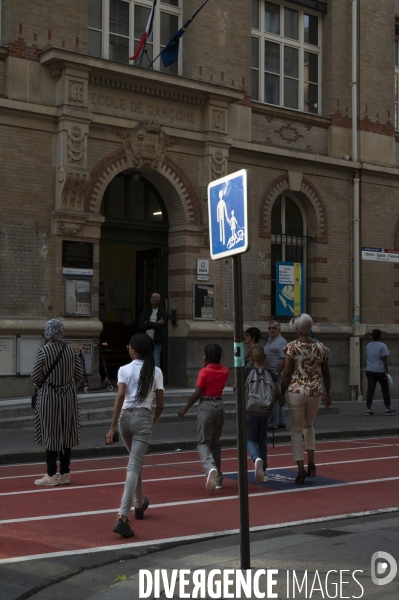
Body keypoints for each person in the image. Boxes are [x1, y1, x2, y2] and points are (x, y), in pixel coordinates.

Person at [106, 334, 164, 538]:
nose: (127, 348)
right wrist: (150, 423)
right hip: (143, 418)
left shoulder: (124, 369)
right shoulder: (156, 371)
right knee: (134, 465)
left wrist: (112, 427)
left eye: (129, 346)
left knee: (134, 462)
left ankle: (139, 504)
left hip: (124, 420)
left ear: (134, 350)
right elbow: (161, 406)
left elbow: (120, 396)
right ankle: (122, 517)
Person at [30, 319, 83, 486]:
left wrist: (46, 385)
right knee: (67, 433)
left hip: (48, 397)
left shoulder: (44, 351)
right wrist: (67, 386)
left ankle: (51, 474)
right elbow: (79, 375)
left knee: (50, 433)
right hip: (68, 397)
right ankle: (65, 473)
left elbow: (35, 377)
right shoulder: (71, 350)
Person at [280, 314, 331, 484]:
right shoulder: (321, 347)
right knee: (309, 425)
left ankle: (301, 468)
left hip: (296, 390)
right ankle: (311, 460)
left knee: (296, 430)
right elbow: (326, 373)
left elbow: (287, 373)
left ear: (296, 329)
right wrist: (328, 394)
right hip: (315, 390)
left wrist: (281, 392)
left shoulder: (292, 347)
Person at [177, 344, 229, 492]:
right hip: (219, 405)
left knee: (203, 442)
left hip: (206, 406)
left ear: (205, 358)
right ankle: (218, 478)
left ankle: (210, 467)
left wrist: (184, 409)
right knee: (215, 443)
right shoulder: (225, 371)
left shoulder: (204, 371)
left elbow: (197, 393)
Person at [245, 345, 281, 483]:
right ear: (264, 357)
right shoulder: (270, 373)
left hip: (251, 409)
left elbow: (237, 388)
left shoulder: (247, 372)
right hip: (265, 409)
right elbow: (276, 390)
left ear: (251, 357)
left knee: (250, 438)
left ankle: (256, 458)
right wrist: (281, 399)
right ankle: (264, 471)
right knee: (262, 438)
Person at [365, 329, 397, 416]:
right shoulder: (383, 346)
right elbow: (384, 359)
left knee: (370, 390)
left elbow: (367, 356)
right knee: (385, 389)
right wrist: (386, 371)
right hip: (380, 371)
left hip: (369, 370)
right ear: (380, 336)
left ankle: (368, 409)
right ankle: (387, 408)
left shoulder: (368, 345)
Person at [264, 320, 287, 430]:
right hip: (270, 373)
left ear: (279, 330)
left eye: (274, 328)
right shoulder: (270, 341)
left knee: (274, 398)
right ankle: (280, 422)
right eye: (270, 328)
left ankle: (272, 424)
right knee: (277, 398)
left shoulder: (281, 341)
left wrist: (277, 372)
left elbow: (284, 358)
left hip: (274, 373)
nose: (271, 330)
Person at [138, 292, 167, 369]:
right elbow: (141, 325)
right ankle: (145, 377)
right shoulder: (146, 311)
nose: (152, 299)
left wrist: (148, 323)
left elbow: (161, 326)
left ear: (159, 300)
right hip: (146, 340)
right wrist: (155, 324)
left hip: (157, 340)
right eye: (152, 297)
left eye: (155, 297)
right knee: (145, 360)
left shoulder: (162, 312)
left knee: (156, 360)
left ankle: (156, 379)